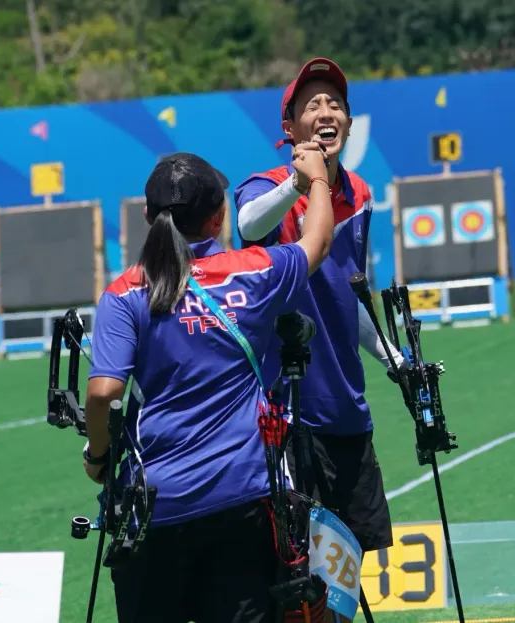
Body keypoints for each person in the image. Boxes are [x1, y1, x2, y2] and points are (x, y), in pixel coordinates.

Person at [82, 149, 334, 623]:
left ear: (147, 217)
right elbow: (316, 243)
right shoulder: (253, 271)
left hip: (156, 506)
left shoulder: (125, 293)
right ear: (219, 218)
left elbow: (102, 393)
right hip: (241, 499)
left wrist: (98, 457)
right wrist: (314, 180)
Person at [232, 58, 401, 569]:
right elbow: (248, 223)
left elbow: (352, 293)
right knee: (293, 571)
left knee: (349, 570)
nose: (327, 112)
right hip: (286, 412)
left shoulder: (362, 193)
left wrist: (390, 354)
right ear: (289, 129)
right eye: (313, 105)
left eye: (335, 104)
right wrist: (300, 185)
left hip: (348, 408)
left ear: (348, 122)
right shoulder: (265, 186)